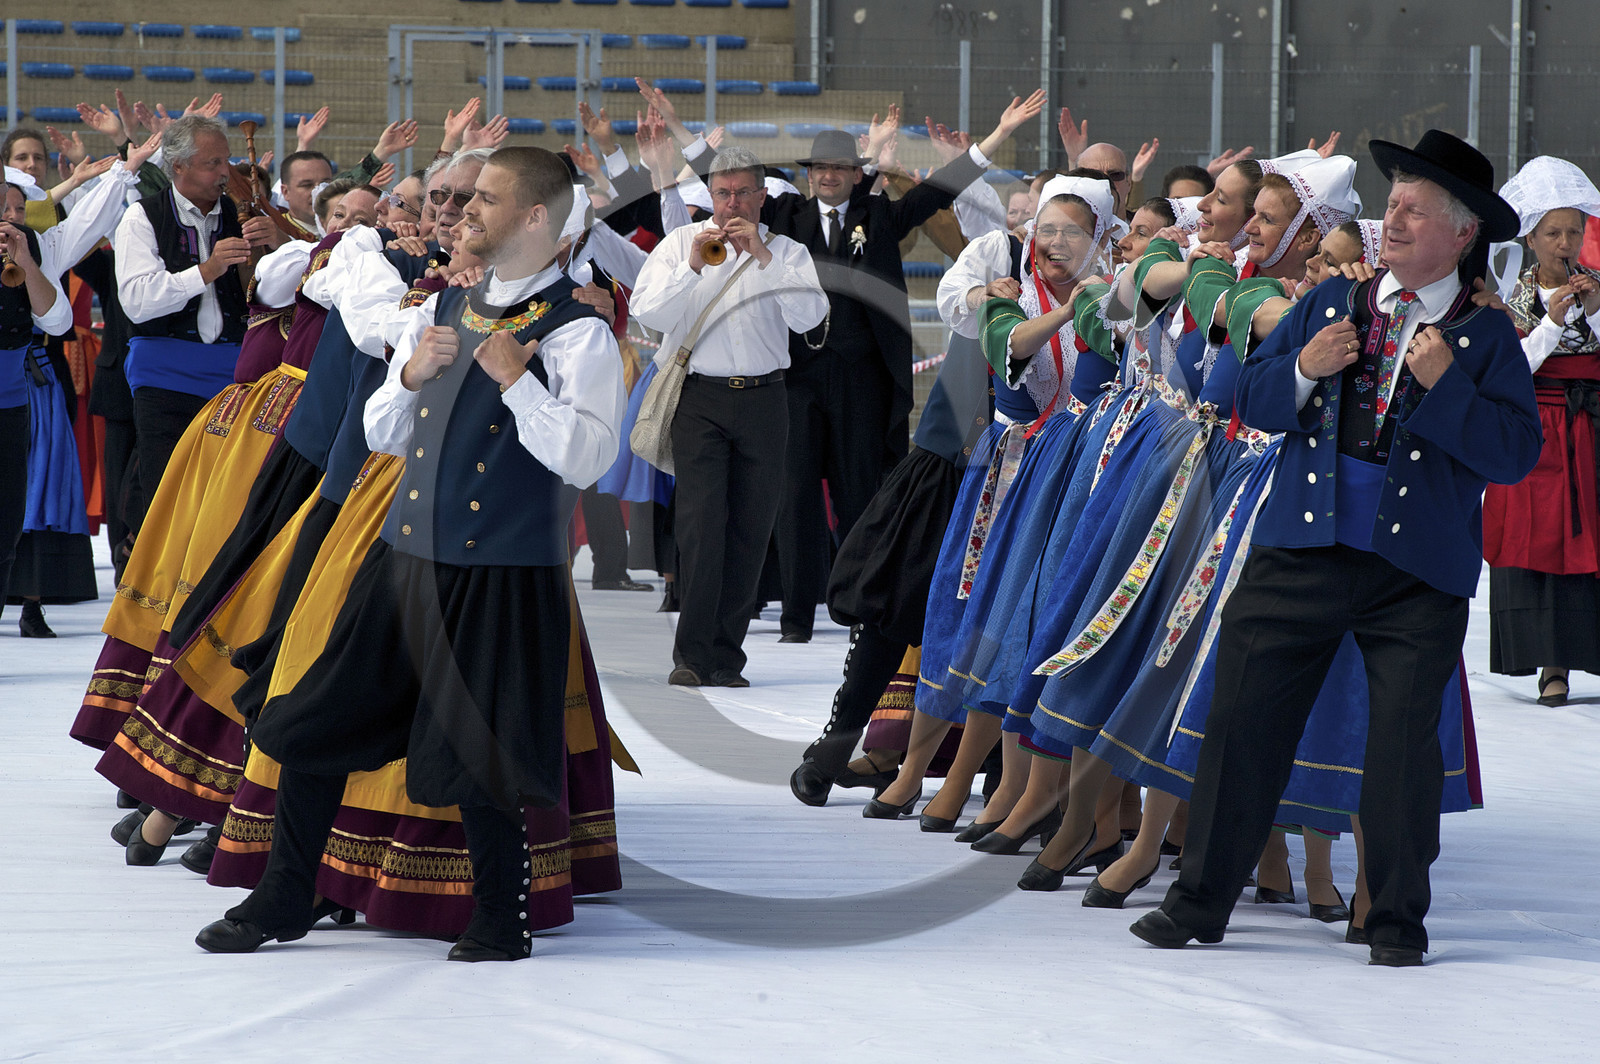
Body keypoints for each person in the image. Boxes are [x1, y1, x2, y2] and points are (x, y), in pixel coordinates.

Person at [195, 145, 625, 961]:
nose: (466, 212)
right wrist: (411, 376)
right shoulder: (446, 310)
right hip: (405, 561)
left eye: (487, 199)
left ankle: (503, 917)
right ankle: (288, 893)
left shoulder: (578, 335)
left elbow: (589, 459)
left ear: (535, 217)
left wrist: (515, 382)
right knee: (312, 721)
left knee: (483, 752)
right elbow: (381, 434)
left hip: (503, 576)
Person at [1129, 129, 1539, 967]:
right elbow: (1248, 399)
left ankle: (1393, 921)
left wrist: (1446, 386)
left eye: (1416, 212)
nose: (1393, 222)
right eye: (1393, 206)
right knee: (1242, 725)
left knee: (1398, 750)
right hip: (1299, 552)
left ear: (1463, 235)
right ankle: (1199, 900)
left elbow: (1513, 455)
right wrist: (1305, 371)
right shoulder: (1329, 302)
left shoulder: (1487, 337)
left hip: (1414, 573)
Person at [630, 147, 827, 686]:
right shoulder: (677, 246)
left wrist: (762, 256)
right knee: (699, 524)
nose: (732, 203)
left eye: (743, 193)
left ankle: (726, 656)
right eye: (723, 193)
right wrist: (694, 266)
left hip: (766, 399)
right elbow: (648, 314)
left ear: (763, 197)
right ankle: (691, 655)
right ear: (709, 197)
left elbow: (810, 317)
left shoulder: (786, 252)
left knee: (750, 527)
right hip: (701, 400)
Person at [1482, 156, 1600, 706]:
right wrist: (1553, 322)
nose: (1565, 241)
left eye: (1574, 230)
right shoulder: (1510, 301)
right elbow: (1512, 367)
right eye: (1553, 232)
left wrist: (1594, 315)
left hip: (1594, 423)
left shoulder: (1597, 288)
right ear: (1530, 237)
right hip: (1540, 428)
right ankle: (1553, 665)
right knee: (1545, 542)